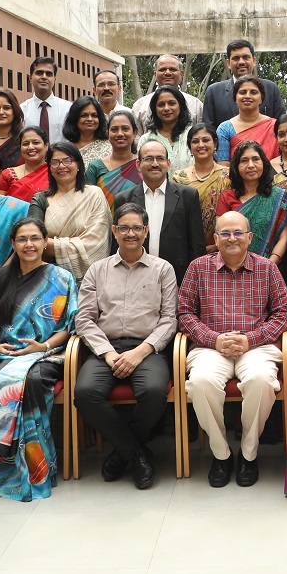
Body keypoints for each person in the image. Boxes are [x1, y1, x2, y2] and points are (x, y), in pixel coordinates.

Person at [0, 218, 78, 499]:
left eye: (35, 238)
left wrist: (42, 346)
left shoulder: (62, 278)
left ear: (45, 242)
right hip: (5, 351)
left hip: (46, 354)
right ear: (13, 244)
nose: (29, 244)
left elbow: (69, 328)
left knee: (28, 383)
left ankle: (29, 466)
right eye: (22, 239)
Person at [178, 212, 287, 487]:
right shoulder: (197, 268)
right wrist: (213, 339)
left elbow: (283, 314)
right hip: (210, 346)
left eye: (238, 233)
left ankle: (249, 454)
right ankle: (222, 455)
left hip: (256, 346)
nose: (232, 239)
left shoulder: (267, 268)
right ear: (215, 238)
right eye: (226, 233)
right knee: (200, 383)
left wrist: (250, 339)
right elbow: (184, 313)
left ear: (249, 237)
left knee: (262, 381)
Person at [74, 204, 179, 489]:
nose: (130, 233)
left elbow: (170, 320)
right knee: (85, 393)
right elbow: (84, 319)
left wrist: (140, 352)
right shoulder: (97, 270)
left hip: (147, 349)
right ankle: (136, 453)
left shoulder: (162, 269)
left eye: (136, 228)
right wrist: (108, 354)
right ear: (114, 231)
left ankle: (122, 454)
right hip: (105, 348)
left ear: (146, 232)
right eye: (124, 228)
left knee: (155, 391)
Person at [115, 139, 206, 282]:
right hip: (134, 277)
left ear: (168, 164)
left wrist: (191, 282)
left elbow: (196, 246)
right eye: (149, 159)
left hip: (178, 278)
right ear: (138, 164)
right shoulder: (124, 198)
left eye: (160, 158)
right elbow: (117, 244)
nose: (155, 164)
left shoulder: (188, 196)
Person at [26, 142, 112, 281]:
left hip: (91, 281)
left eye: (67, 160)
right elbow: (32, 239)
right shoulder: (41, 199)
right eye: (55, 162)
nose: (61, 166)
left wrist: (50, 245)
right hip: (49, 277)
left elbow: (96, 242)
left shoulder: (94, 194)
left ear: (78, 165)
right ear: (50, 168)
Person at [215, 140, 287, 261]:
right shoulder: (227, 197)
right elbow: (222, 235)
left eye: (255, 159)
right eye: (244, 161)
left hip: (271, 266)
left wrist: (269, 265)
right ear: (236, 167)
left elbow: (284, 237)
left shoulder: (279, 197)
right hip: (233, 265)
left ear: (264, 163)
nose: (251, 165)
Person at [173, 123, 231, 252]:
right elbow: (176, 216)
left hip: (224, 246)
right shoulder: (179, 177)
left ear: (215, 144)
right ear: (190, 147)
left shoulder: (229, 176)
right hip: (187, 247)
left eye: (206, 140)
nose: (201, 145)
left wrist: (217, 245)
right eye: (195, 141)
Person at [202, 38, 282, 129]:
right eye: (236, 58)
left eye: (246, 57)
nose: (241, 62)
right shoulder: (214, 92)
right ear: (228, 63)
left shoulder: (270, 88)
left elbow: (280, 126)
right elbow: (208, 131)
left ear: (254, 60)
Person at [215, 75, 279, 163]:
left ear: (261, 98)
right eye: (242, 92)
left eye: (253, 92)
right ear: (235, 98)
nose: (247, 96)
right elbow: (223, 167)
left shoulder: (274, 126)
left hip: (274, 176)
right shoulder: (225, 129)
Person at [86, 109, 142, 208]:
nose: (120, 134)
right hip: (102, 222)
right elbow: (88, 203)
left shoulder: (143, 165)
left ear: (134, 133)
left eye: (125, 129)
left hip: (138, 222)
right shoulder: (96, 167)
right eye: (114, 129)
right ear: (108, 133)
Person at [131, 53, 204, 130]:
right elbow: (136, 139)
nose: (168, 73)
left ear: (181, 74)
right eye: (162, 69)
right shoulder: (140, 106)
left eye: (173, 69)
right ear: (155, 74)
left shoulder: (196, 106)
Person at [137, 85, 194, 173]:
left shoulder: (193, 136)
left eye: (172, 103)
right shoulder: (146, 139)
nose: (166, 108)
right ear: (154, 109)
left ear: (180, 106)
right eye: (161, 105)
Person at [19, 56, 72, 143]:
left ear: (54, 79)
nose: (44, 77)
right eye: (39, 73)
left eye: (49, 74)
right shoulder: (22, 110)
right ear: (30, 78)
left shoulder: (68, 109)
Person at [5, 126, 51, 204]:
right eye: (25, 144)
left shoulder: (54, 172)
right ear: (20, 148)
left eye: (36, 142)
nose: (30, 147)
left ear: (46, 146)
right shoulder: (8, 174)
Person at [62, 94, 111, 165]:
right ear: (75, 119)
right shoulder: (66, 149)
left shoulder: (110, 147)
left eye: (94, 115)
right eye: (84, 115)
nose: (90, 119)